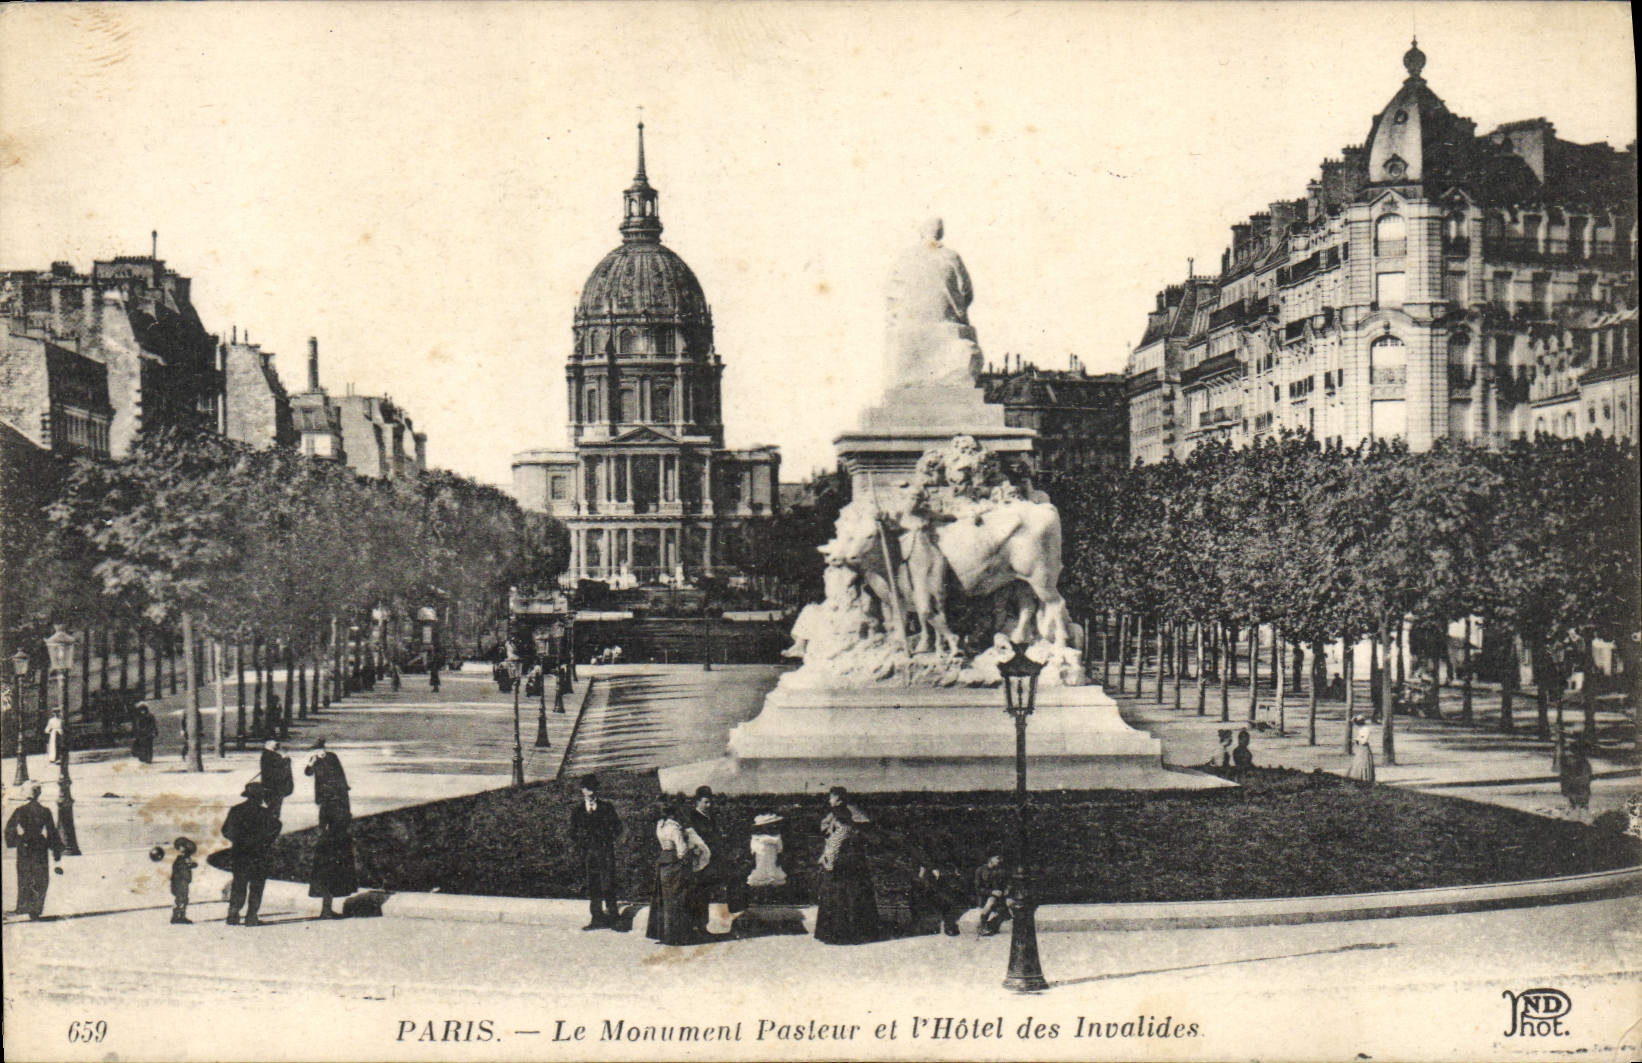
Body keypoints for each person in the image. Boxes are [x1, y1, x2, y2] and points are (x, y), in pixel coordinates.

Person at [813, 786, 879, 945]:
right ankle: (858, 932)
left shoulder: (841, 815)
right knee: (851, 894)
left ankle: (841, 933)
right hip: (854, 860)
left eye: (832, 797)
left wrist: (827, 858)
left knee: (841, 895)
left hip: (843, 861)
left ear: (839, 799)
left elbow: (836, 839)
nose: (829, 800)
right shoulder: (852, 813)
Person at [305, 739, 356, 919]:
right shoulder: (316, 761)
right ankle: (327, 908)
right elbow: (308, 773)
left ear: (323, 749)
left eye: (319, 750)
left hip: (331, 813)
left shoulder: (332, 758)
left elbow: (339, 776)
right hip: (331, 818)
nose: (318, 752)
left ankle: (326, 908)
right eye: (316, 750)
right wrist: (310, 763)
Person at [221, 782, 282, 926]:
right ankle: (251, 916)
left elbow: (225, 831)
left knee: (239, 884)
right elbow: (277, 826)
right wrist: (266, 841)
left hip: (240, 853)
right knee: (257, 886)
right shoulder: (265, 813)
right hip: (259, 854)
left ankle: (233, 914)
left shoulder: (236, 810)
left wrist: (237, 840)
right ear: (261, 797)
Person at [646, 798, 705, 946]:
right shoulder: (675, 828)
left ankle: (663, 934)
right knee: (678, 898)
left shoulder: (660, 826)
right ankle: (676, 936)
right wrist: (694, 851)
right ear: (673, 814)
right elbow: (681, 850)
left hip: (663, 861)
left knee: (663, 899)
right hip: (674, 863)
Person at [570, 773, 623, 930]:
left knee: (609, 884)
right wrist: (583, 845)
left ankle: (614, 918)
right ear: (583, 791)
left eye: (594, 789)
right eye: (588, 790)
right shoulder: (578, 811)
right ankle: (597, 918)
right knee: (593, 885)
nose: (592, 793)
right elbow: (573, 832)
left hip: (605, 852)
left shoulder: (607, 807)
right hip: (589, 854)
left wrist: (607, 840)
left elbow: (618, 828)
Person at [5, 782, 64, 920]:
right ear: (39, 794)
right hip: (40, 845)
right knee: (40, 876)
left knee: (25, 875)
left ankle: (24, 905)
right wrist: (56, 850)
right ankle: (36, 909)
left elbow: (9, 828)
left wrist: (15, 841)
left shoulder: (20, 810)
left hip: (25, 845)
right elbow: (52, 832)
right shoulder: (45, 811)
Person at [687, 785, 738, 936]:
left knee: (705, 893)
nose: (709, 806)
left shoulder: (710, 817)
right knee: (697, 894)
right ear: (697, 802)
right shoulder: (693, 817)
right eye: (706, 802)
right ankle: (696, 926)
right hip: (699, 862)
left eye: (711, 802)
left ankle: (702, 926)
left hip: (711, 861)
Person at [974, 853, 1011, 936]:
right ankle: (983, 925)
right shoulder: (980, 870)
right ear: (990, 858)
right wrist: (991, 892)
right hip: (984, 898)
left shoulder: (1001, 870)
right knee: (991, 900)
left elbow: (1008, 883)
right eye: (997, 858)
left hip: (999, 897)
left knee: (1010, 906)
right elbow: (977, 888)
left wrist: (1006, 890)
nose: (1000, 860)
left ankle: (987, 925)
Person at [747, 813, 786, 888]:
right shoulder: (757, 838)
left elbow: (779, 850)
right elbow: (754, 852)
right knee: (761, 876)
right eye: (767, 825)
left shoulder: (776, 837)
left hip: (772, 859)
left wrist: (779, 860)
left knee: (773, 877)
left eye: (773, 825)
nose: (771, 827)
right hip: (761, 860)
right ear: (762, 826)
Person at [259, 738, 294, 819]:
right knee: (275, 808)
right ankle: (272, 825)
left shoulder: (265, 754)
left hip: (268, 785)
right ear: (268, 743)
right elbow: (282, 769)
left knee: (271, 807)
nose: (276, 744)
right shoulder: (273, 755)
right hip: (276, 787)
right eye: (274, 742)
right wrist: (286, 759)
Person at [1560, 734, 1594, 813]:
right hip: (1577, 788)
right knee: (1578, 807)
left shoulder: (1582, 763)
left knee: (1578, 807)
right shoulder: (1573, 763)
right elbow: (1565, 776)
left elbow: (1587, 777)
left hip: (1579, 788)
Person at [170, 836, 198, 924]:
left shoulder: (181, 859)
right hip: (181, 883)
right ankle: (179, 916)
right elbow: (183, 870)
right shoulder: (181, 860)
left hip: (181, 882)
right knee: (182, 899)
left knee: (181, 899)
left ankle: (178, 915)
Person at [1346, 714, 1376, 787]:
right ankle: (1357, 777)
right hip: (1360, 748)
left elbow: (1364, 741)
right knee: (1358, 762)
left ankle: (1365, 778)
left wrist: (1357, 740)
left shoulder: (1366, 729)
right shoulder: (1361, 729)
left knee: (1363, 762)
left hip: (1364, 748)